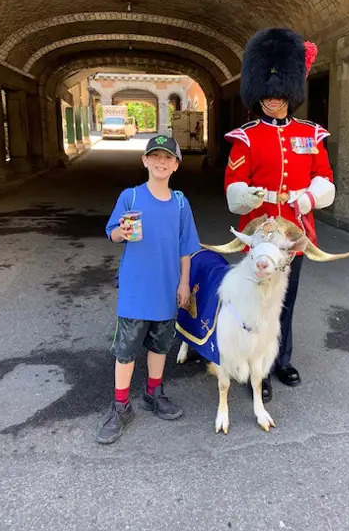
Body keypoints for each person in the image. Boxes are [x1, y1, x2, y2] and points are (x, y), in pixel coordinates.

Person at [224, 28, 336, 402]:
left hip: (292, 237)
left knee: (285, 302)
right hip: (258, 237)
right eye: (267, 94)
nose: (273, 100)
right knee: (255, 303)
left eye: (279, 93)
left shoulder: (310, 134)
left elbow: (325, 179)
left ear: (291, 91)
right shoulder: (247, 136)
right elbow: (233, 188)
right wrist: (249, 194)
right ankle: (257, 366)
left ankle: (280, 360)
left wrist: (307, 197)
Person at [96, 135, 200, 444]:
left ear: (176, 165)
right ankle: (120, 406)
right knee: (126, 350)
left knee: (160, 345)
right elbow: (112, 233)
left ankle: (154, 392)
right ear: (145, 161)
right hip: (135, 290)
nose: (161, 162)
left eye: (168, 158)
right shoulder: (131, 197)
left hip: (167, 289)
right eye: (155, 156)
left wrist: (184, 283)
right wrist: (120, 232)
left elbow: (186, 247)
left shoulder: (181, 203)